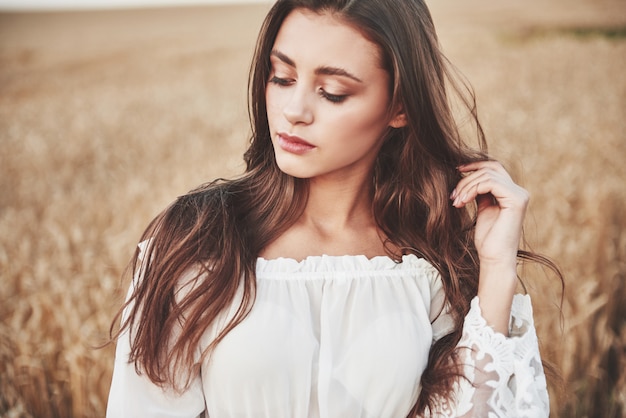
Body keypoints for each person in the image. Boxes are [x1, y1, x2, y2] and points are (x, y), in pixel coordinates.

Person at [107, 0, 560, 416]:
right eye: (281, 78)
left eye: (332, 92)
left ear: (400, 106)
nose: (293, 110)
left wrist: (496, 268)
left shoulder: (427, 262)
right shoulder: (198, 240)